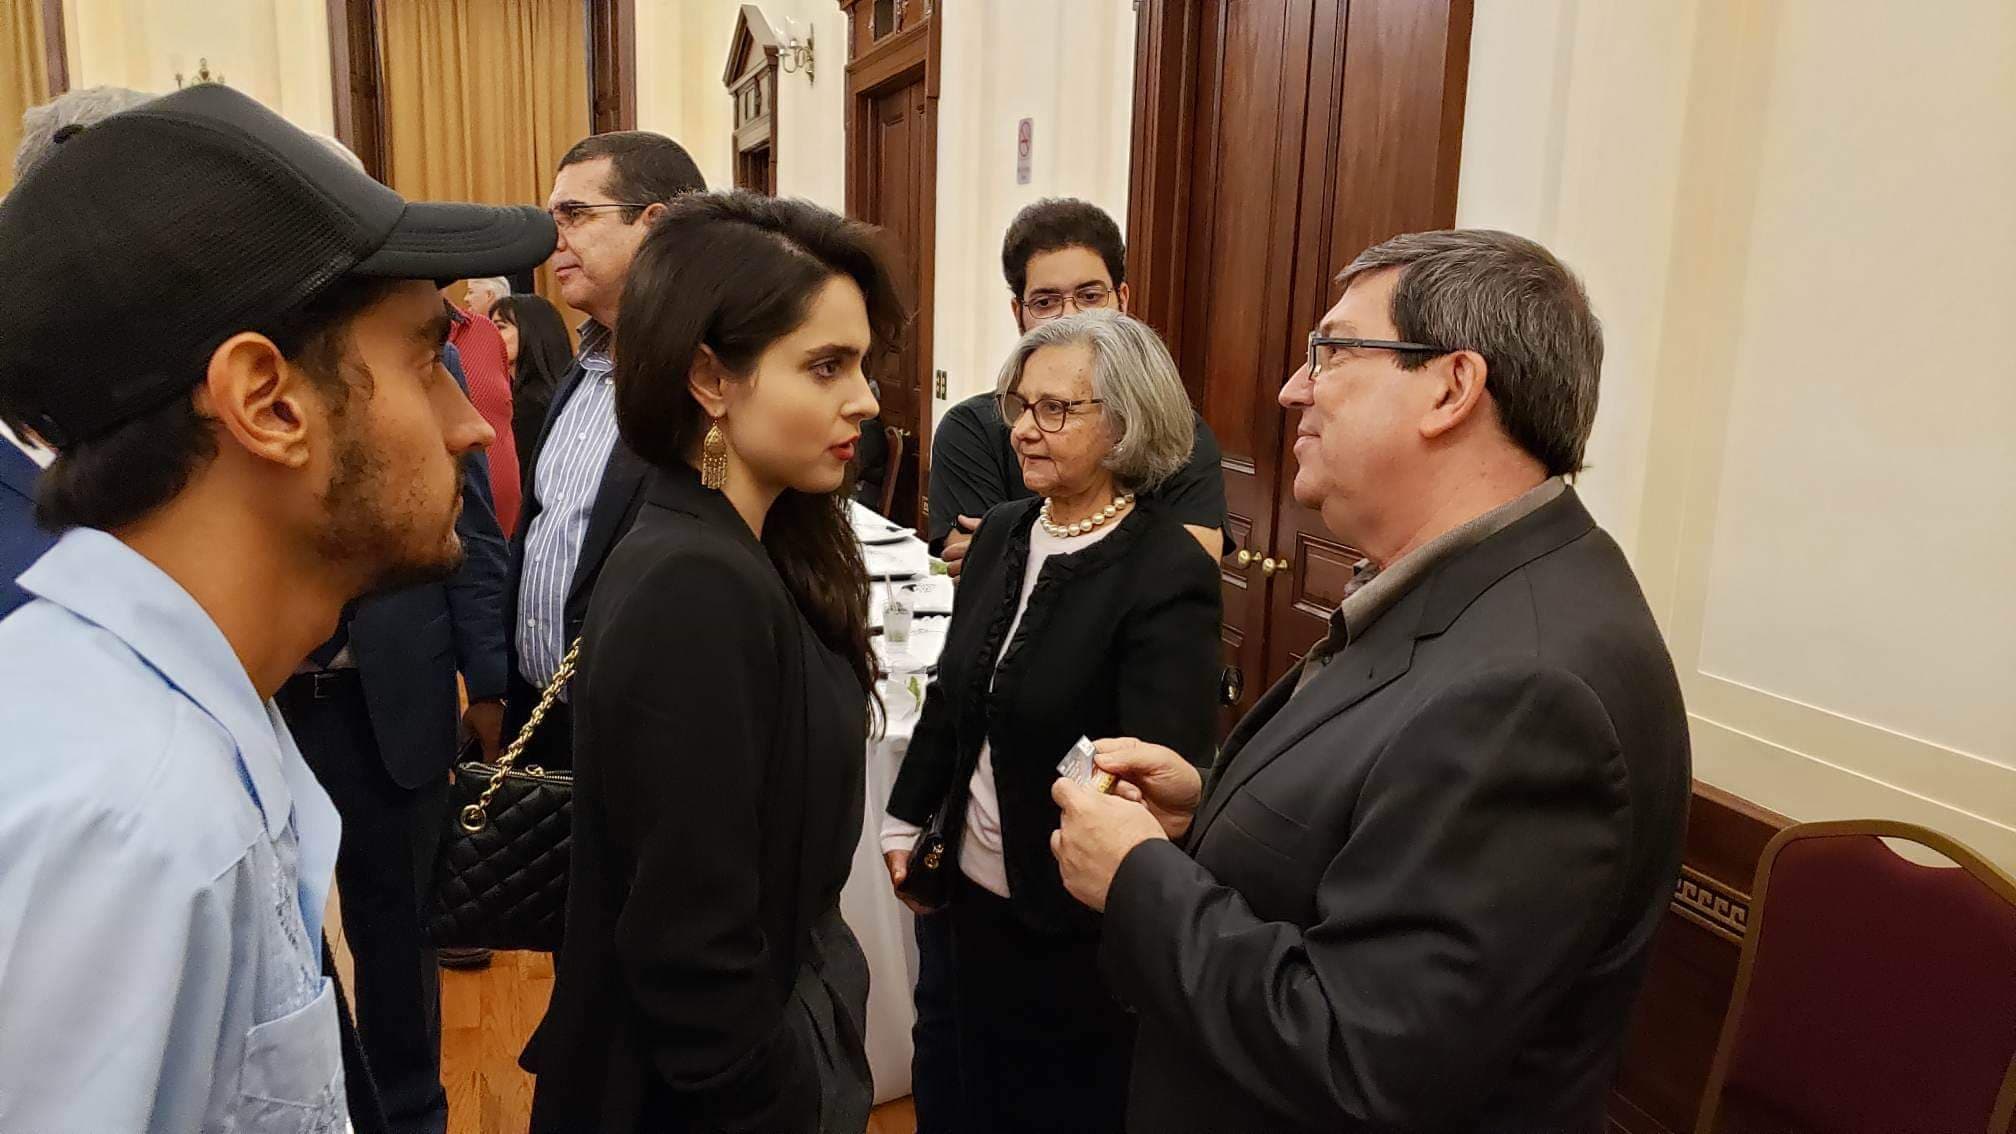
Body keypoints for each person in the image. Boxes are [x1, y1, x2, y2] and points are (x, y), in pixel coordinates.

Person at [0, 83, 554, 1132]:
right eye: (422, 357)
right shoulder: (130, 827)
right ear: (267, 402)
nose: (470, 425)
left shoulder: (177, 722)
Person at [1049, 230, 1692, 1133]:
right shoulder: (1471, 587)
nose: (1293, 389)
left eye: (1334, 351)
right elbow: (1382, 820)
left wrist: (1137, 879)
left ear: (1451, 388)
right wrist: (1211, 812)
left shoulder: (1531, 691)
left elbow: (1364, 1058)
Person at [523, 191, 898, 1133]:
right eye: (826, 365)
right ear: (710, 378)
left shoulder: (748, 541)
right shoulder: (695, 581)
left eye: (861, 364)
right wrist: (774, 1096)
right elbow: (687, 939)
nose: (865, 398)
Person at [882, 311, 1221, 1133]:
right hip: (960, 903)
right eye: (1020, 404)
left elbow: (1151, 775)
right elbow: (954, 694)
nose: (1025, 429)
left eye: (1056, 409)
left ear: (1126, 424)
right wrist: (904, 822)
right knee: (951, 1094)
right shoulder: (1004, 531)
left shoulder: (1166, 568)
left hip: (1070, 931)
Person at [275, 335, 509, 1134]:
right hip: (268, 696)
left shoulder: (423, 371)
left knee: (400, 928)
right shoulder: (241, 364)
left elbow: (473, 537)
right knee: (279, 929)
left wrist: (488, 683)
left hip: (394, 693)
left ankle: (411, 1114)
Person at [508, 131, 706, 770]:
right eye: (552, 218)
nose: (554, 239)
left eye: (574, 214)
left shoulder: (709, 384)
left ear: (654, 224)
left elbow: (720, 536)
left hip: (643, 733)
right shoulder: (586, 361)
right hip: (542, 712)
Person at [927, 198, 1227, 574]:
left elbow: (1189, 571)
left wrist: (1016, 547)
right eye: (1046, 302)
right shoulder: (970, 429)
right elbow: (977, 572)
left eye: (1089, 297)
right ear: (1019, 314)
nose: (1070, 316)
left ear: (1122, 300)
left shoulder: (1178, 433)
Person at [444, 292, 522, 532]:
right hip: (446, 538)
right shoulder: (386, 336)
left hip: (507, 534)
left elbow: (503, 421)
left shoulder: (485, 331)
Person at [488, 291, 572, 469]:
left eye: (500, 327)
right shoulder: (514, 394)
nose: (490, 335)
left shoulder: (531, 406)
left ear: (531, 332)